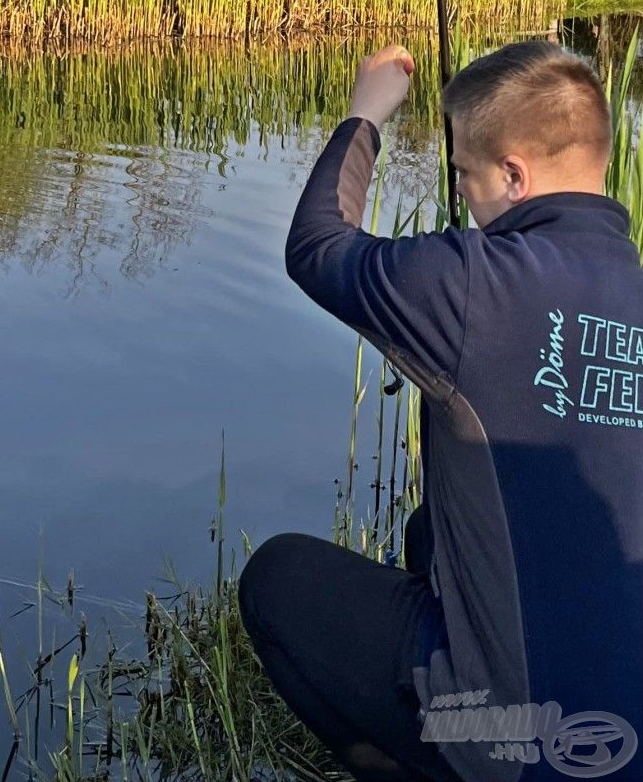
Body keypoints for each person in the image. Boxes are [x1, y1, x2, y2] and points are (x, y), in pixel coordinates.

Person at [238, 41, 643, 782]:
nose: (467, 196)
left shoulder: (469, 287)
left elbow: (319, 245)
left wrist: (366, 112)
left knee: (277, 580)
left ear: (515, 175)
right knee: (432, 534)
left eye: (466, 177)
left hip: (527, 746)